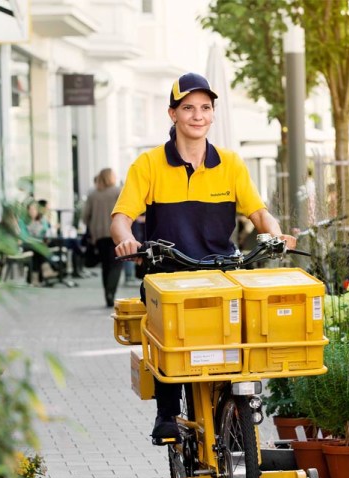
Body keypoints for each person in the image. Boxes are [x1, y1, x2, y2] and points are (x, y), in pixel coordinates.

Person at [110, 72, 295, 443]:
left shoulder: (230, 163)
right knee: (166, 338)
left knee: (239, 336)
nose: (197, 115)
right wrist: (127, 241)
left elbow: (259, 212)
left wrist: (275, 234)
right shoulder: (148, 165)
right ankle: (167, 412)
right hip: (168, 274)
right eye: (188, 108)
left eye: (205, 108)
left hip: (220, 272)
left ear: (212, 115)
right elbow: (121, 218)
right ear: (172, 114)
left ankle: (237, 405)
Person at [83, 167, 123, 306]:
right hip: (116, 233)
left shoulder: (93, 194)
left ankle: (107, 293)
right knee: (116, 264)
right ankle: (111, 292)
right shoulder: (118, 191)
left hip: (99, 235)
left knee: (105, 265)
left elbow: (85, 216)